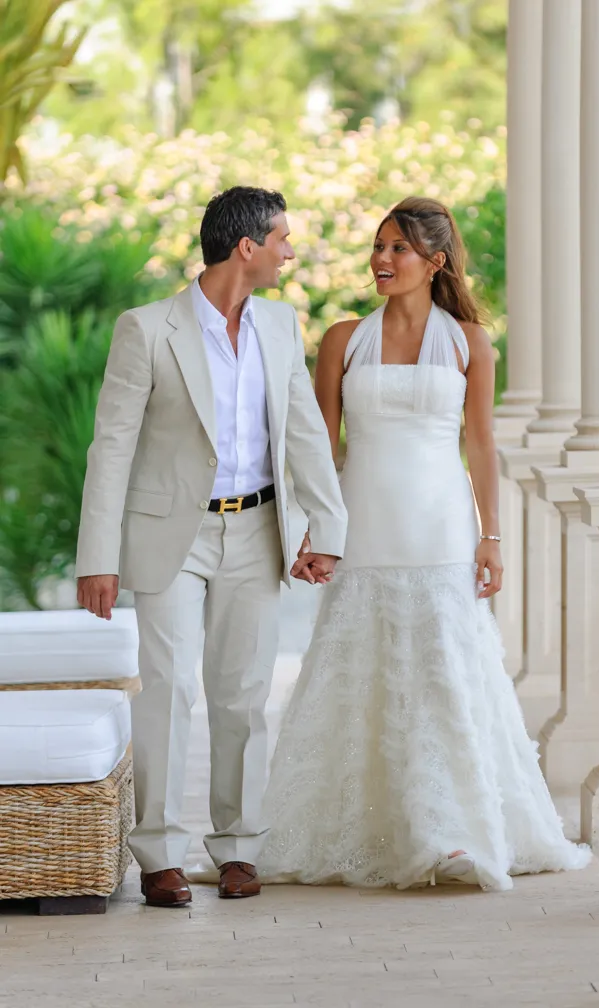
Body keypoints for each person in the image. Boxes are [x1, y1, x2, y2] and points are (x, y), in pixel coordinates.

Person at [256, 197, 591, 891]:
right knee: (361, 672)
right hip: (364, 523)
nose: (380, 260)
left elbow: (480, 444)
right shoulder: (344, 339)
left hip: (440, 523)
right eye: (377, 247)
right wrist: (315, 530)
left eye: (396, 249)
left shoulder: (469, 341)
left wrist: (491, 537)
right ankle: (365, 830)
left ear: (433, 262)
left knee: (443, 672)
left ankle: (454, 834)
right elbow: (319, 448)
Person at [76, 186, 347, 908]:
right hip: (172, 530)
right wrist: (97, 556)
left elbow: (304, 437)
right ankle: (159, 855)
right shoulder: (147, 328)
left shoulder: (283, 325)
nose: (291, 251)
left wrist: (329, 528)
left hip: (258, 527)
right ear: (246, 248)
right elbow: (112, 447)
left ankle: (237, 850)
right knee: (167, 687)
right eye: (283, 238)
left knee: (244, 694)